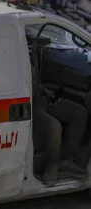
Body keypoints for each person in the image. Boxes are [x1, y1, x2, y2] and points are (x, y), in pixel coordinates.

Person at [30, 57, 89, 185]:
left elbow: (36, 85)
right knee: (54, 126)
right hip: (30, 106)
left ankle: (65, 160)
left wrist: (45, 91)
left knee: (80, 113)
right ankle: (51, 164)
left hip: (43, 98)